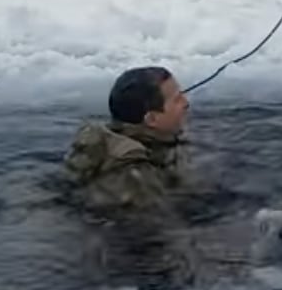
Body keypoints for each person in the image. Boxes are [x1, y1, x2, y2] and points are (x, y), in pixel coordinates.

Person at [64, 66, 192, 215]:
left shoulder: (122, 142)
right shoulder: (134, 177)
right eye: (177, 100)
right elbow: (156, 225)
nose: (186, 103)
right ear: (152, 119)